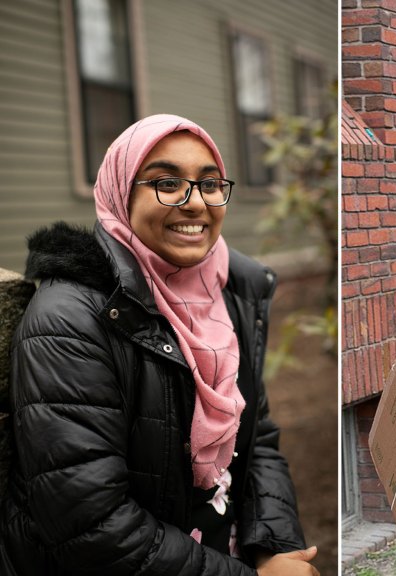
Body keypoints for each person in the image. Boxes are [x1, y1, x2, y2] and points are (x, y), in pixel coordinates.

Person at [0, 114, 318, 575]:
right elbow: (92, 526)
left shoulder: (225, 294)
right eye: (166, 182)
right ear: (120, 191)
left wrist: (274, 547)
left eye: (210, 184)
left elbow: (258, 435)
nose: (195, 204)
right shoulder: (69, 321)